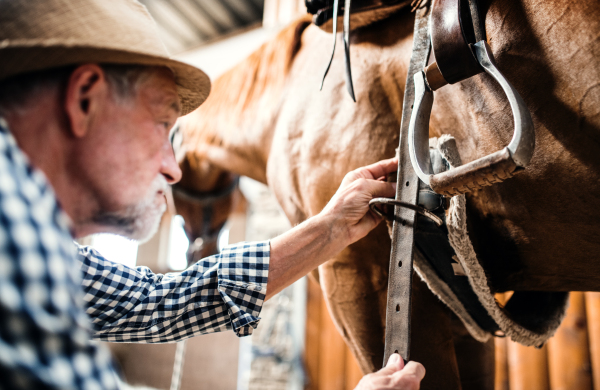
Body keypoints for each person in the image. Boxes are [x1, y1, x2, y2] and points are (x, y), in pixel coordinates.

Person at [0, 0, 425, 389]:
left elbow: (158, 302)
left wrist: (330, 229)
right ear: (84, 99)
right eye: (161, 124)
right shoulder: (12, 228)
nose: (172, 166)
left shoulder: (43, 239)